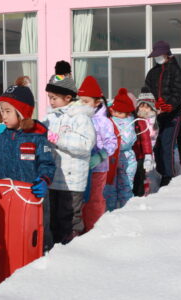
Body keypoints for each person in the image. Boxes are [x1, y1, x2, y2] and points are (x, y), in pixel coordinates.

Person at [0, 85, 56, 251]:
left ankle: (45, 259)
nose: (4, 116)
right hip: (8, 200)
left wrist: (44, 180)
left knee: (37, 237)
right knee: (12, 237)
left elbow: (47, 163)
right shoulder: (1, 139)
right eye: (2, 111)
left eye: (8, 111)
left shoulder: (36, 138)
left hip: (33, 199)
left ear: (22, 113)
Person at [43, 74, 96, 244]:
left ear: (67, 97)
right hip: (53, 178)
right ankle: (55, 250)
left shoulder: (80, 117)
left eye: (54, 98)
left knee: (69, 218)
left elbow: (86, 144)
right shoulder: (51, 118)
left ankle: (72, 252)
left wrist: (56, 138)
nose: (51, 102)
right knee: (53, 219)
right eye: (49, 97)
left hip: (72, 181)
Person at [78, 76, 118, 233]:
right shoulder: (78, 118)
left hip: (97, 168)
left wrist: (100, 156)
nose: (82, 105)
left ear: (97, 102)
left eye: (86, 101)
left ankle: (93, 229)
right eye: (80, 100)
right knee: (80, 200)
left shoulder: (104, 122)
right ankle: (81, 228)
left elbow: (112, 143)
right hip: (80, 167)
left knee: (94, 200)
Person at [145, 40, 181, 187]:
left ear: (167, 54)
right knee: (157, 146)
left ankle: (169, 176)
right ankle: (161, 171)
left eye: (159, 55)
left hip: (172, 116)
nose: (157, 58)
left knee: (167, 145)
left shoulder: (176, 70)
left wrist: (169, 106)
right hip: (156, 116)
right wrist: (149, 104)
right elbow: (146, 90)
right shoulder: (152, 72)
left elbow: (178, 93)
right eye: (156, 56)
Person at [104, 88, 138, 211]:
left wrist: (114, 143)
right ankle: (110, 209)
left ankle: (126, 208)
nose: (117, 114)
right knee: (110, 185)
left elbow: (127, 141)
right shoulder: (109, 120)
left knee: (125, 185)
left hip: (126, 158)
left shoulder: (129, 122)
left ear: (128, 112)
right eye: (115, 111)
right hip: (112, 157)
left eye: (120, 112)